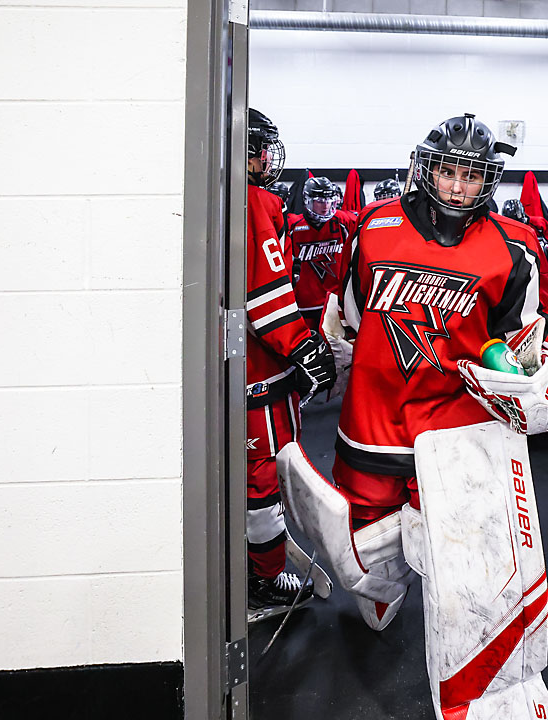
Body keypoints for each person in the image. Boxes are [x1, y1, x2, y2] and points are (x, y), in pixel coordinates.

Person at [279, 113, 548, 718]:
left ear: (488, 180)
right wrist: (323, 362)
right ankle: (385, 570)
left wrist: (541, 380)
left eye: (471, 175)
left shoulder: (513, 248)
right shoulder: (373, 226)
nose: (458, 187)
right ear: (426, 167)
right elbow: (347, 319)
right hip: (373, 421)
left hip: (459, 430)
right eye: (448, 170)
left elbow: (533, 342)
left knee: (464, 563)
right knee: (371, 575)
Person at [244, 108, 336, 618]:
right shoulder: (255, 200)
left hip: (240, 365)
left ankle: (256, 560)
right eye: (256, 146)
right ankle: (264, 577)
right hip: (260, 373)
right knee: (265, 475)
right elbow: (268, 296)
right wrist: (304, 346)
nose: (263, 156)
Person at [287, 177, 358, 333]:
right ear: (307, 200)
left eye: (328, 200)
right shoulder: (292, 226)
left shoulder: (343, 221)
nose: (325, 206)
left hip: (335, 303)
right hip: (303, 305)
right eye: (319, 201)